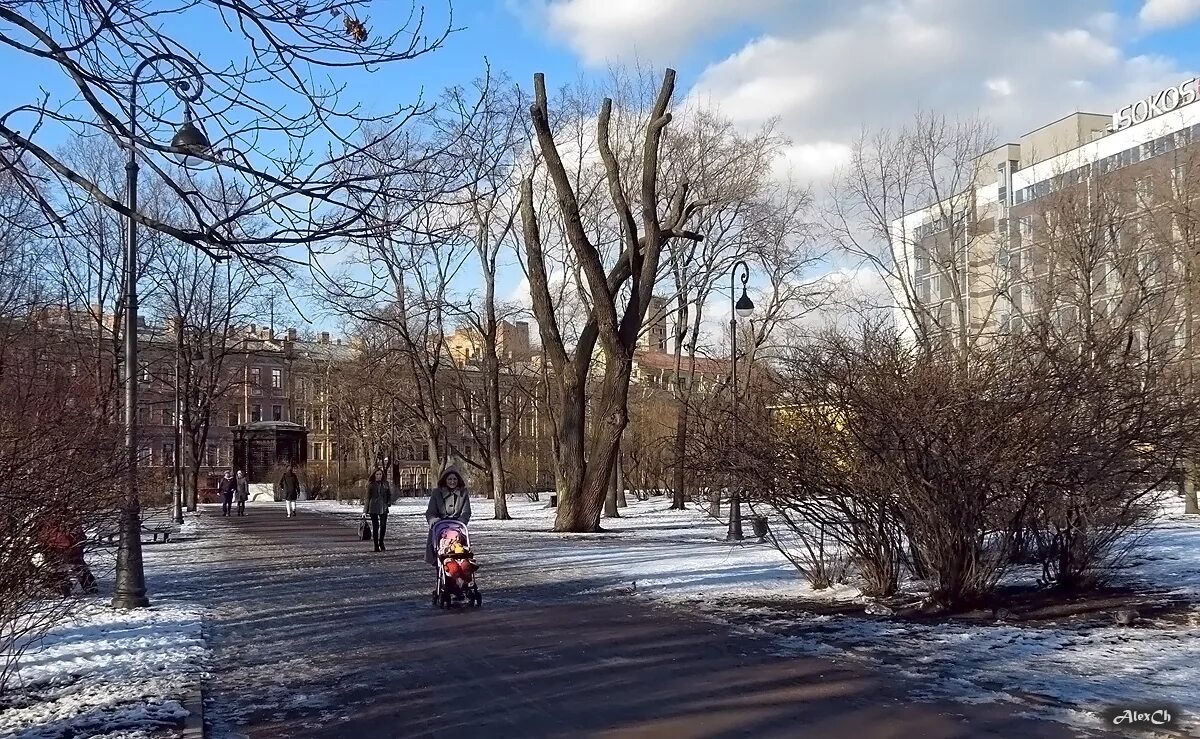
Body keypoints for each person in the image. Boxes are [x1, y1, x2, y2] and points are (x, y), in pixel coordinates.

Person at [424, 467, 471, 567]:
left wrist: (461, 523)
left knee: (459, 550)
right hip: (440, 526)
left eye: (455, 479)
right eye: (449, 479)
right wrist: (434, 521)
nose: (452, 481)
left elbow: (466, 512)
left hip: (457, 526)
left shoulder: (463, 493)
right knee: (440, 550)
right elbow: (430, 512)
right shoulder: (436, 493)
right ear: (445, 480)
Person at [363, 468, 393, 552]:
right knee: (375, 526)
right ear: (374, 475)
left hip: (383, 507)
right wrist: (365, 511)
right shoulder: (371, 485)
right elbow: (367, 498)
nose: (379, 476)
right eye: (377, 474)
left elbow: (389, 494)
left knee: (383, 526)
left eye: (380, 474)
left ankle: (381, 542)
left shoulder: (385, 484)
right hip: (373, 507)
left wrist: (389, 502)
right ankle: (376, 545)